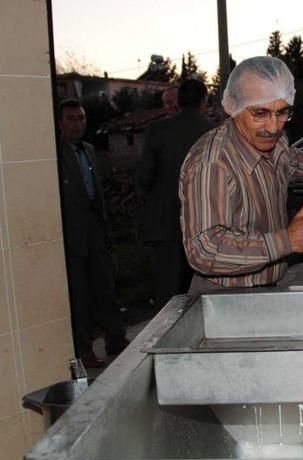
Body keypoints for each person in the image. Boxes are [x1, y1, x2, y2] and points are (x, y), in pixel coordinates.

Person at [179, 56, 303, 293]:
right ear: (232, 106)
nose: (274, 126)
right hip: (223, 297)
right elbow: (204, 249)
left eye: (282, 112)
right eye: (260, 113)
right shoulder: (212, 163)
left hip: (268, 286)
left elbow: (292, 159)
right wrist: (288, 240)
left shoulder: (273, 141)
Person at [56, 99, 129, 368]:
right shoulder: (56, 153)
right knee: (80, 295)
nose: (78, 124)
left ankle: (116, 338)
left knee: (105, 288)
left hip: (95, 231)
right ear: (60, 123)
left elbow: (95, 194)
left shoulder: (88, 150)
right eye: (72, 119)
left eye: (81, 118)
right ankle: (83, 349)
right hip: (73, 236)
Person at [138, 79, 216, 307]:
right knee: (201, 297)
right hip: (204, 225)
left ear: (178, 101)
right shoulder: (213, 133)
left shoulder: (158, 130)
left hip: (165, 225)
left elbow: (144, 177)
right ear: (204, 101)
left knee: (169, 298)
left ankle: (165, 341)